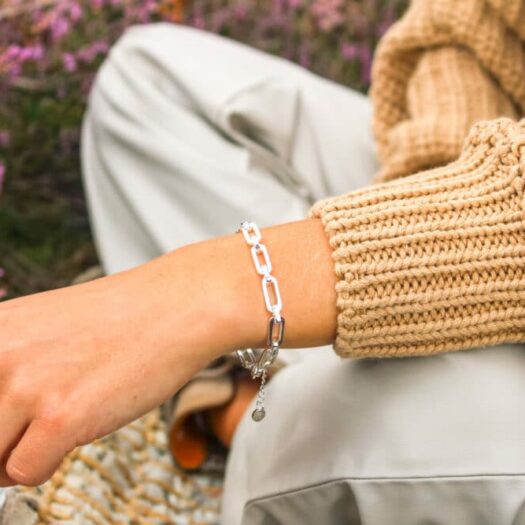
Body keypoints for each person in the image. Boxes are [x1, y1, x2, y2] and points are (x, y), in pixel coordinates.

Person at [1, 0, 525, 523]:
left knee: (376, 437)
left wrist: (198, 294)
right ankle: (301, 394)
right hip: (496, 174)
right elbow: (465, 24)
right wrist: (432, 212)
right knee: (144, 83)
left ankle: (247, 415)